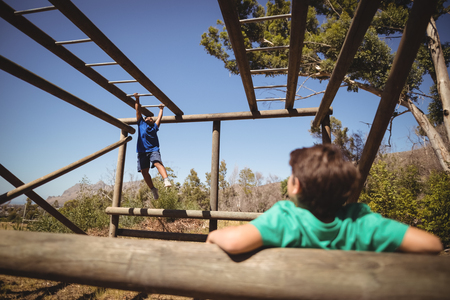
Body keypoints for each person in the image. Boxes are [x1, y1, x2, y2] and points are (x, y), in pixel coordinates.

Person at [206, 144, 443, 255]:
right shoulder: (361, 222)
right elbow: (431, 245)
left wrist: (213, 235)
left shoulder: (286, 219)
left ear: (296, 186)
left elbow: (235, 242)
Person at [134, 92, 172, 200]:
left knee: (157, 163)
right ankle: (153, 189)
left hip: (153, 150)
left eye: (150, 118)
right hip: (142, 151)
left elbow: (159, 118)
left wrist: (161, 109)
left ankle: (166, 180)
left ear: (152, 121)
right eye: (147, 117)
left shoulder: (154, 127)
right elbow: (138, 110)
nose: (148, 118)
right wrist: (137, 98)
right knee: (144, 172)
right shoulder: (141, 124)